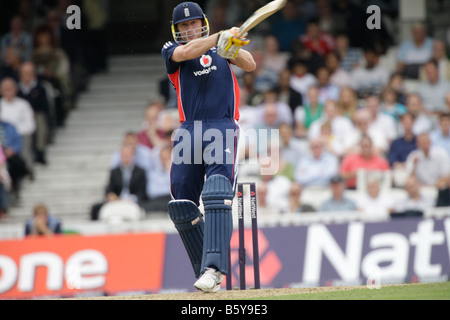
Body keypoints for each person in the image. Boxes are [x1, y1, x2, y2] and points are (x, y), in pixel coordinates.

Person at [161, 2, 256, 293]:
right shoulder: (172, 51)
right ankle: (206, 268)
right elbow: (189, 52)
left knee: (217, 191)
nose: (190, 29)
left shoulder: (221, 49)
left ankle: (214, 269)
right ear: (177, 31)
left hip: (222, 126)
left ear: (203, 22)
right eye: (184, 26)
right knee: (181, 205)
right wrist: (219, 37)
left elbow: (250, 64)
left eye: (194, 24)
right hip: (189, 130)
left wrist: (232, 47)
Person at [91, 144, 148, 221]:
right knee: (95, 208)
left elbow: (142, 191)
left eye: (128, 155)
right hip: (117, 200)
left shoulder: (140, 171)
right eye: (124, 155)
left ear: (133, 155)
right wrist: (110, 195)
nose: (126, 157)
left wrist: (133, 198)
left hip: (133, 201)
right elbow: (109, 188)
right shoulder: (114, 172)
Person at [0, 77, 36, 179]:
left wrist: (15, 133)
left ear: (15, 90)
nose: (8, 92)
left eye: (10, 89)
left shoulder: (23, 104)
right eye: (5, 89)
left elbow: (30, 124)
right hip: (3, 138)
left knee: (24, 150)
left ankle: (28, 172)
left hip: (21, 135)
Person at [17, 61, 50, 166]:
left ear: (34, 74)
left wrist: (32, 112)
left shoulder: (40, 88)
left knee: (40, 121)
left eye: (29, 73)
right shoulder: (17, 89)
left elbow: (44, 106)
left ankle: (40, 151)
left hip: (35, 115)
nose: (27, 76)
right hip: (19, 117)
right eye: (24, 73)